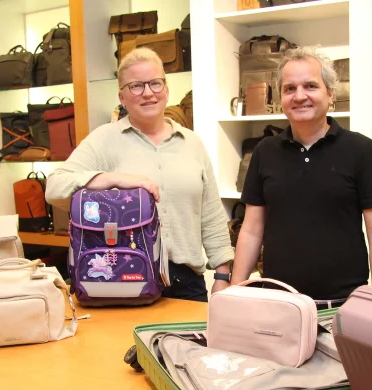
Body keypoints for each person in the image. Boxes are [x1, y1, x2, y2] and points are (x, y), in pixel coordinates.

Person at [45, 48, 233, 302]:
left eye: (155, 83)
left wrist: (222, 277)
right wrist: (113, 179)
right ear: (122, 96)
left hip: (187, 284)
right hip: (123, 279)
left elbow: (211, 216)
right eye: (136, 86)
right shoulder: (105, 139)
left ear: (166, 89)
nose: (148, 93)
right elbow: (55, 187)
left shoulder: (192, 144)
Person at [232, 46, 372, 306]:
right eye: (289, 88)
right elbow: (251, 230)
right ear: (281, 98)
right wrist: (235, 292)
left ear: (330, 94)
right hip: (278, 303)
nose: (299, 96)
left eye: (310, 86)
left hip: (343, 304)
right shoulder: (265, 151)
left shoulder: (360, 150)